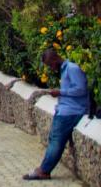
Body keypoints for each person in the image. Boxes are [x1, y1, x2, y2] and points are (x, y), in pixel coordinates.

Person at [24, 48, 89, 181]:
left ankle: (44, 171)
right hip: (65, 110)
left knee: (56, 142)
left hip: (72, 112)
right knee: (53, 139)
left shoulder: (72, 68)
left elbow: (81, 89)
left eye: (50, 65)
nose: (51, 68)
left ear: (55, 59)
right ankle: (44, 168)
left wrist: (60, 92)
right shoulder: (65, 70)